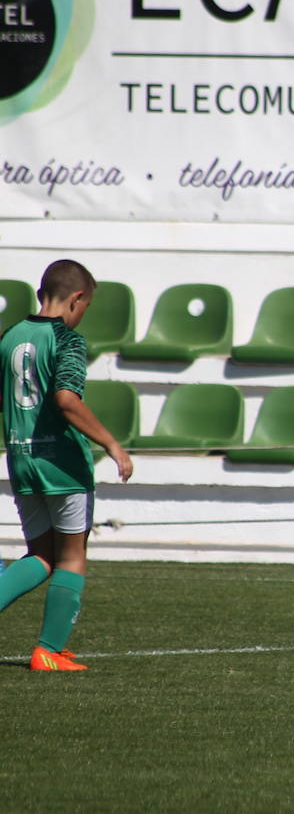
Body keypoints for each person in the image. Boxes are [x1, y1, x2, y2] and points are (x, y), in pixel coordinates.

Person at [0, 259, 133, 671]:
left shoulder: (9, 336)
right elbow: (66, 400)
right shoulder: (68, 340)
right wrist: (112, 443)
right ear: (77, 298)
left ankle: (51, 649)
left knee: (40, 554)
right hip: (62, 465)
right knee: (71, 555)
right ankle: (49, 650)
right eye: (86, 305)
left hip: (21, 459)